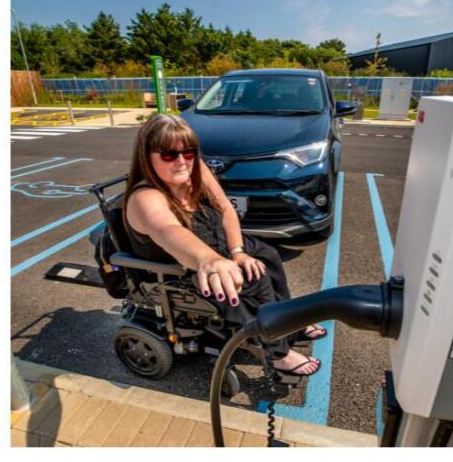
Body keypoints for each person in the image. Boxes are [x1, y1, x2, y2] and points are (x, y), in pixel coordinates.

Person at [122, 114, 327, 376]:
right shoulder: (146, 197)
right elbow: (167, 229)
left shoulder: (195, 170)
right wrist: (210, 260)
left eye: (188, 152)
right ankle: (277, 352)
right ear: (146, 156)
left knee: (268, 256)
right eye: (168, 154)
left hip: (216, 241)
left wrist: (237, 252)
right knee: (255, 279)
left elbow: (226, 209)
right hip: (180, 268)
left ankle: (288, 324)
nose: (182, 161)